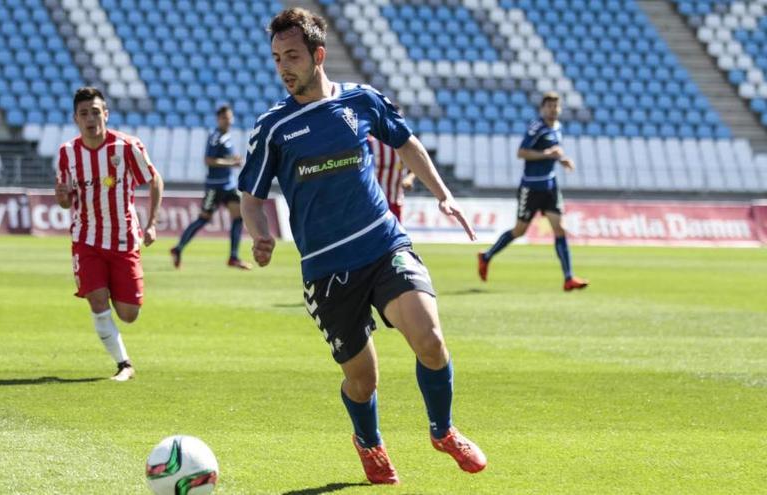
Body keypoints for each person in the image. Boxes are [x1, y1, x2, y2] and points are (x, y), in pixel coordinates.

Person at [239, 8, 486, 485]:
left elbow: (406, 142)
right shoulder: (272, 128)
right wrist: (260, 234)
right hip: (327, 269)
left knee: (431, 342)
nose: (283, 67)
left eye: (292, 55)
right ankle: (369, 442)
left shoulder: (361, 101)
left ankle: (443, 430)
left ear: (318, 55)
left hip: (382, 244)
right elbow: (250, 198)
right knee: (362, 379)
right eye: (276, 58)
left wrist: (443, 194)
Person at [54, 87, 164, 381]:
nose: (90, 118)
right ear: (75, 118)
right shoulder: (68, 153)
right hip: (86, 239)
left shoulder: (126, 147)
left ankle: (119, 289)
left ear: (106, 114)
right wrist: (62, 196)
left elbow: (154, 181)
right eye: (84, 113)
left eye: (95, 112)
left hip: (123, 239)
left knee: (128, 314)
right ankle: (124, 364)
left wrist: (152, 223)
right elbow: (66, 201)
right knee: (97, 302)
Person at [477, 92, 588, 291]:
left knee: (560, 229)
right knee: (519, 231)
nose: (553, 110)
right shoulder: (536, 128)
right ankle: (486, 256)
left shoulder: (558, 128)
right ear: (542, 109)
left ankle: (568, 278)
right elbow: (521, 153)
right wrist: (547, 154)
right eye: (549, 106)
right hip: (531, 187)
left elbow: (554, 152)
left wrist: (562, 160)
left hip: (550, 186)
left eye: (556, 106)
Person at [170, 105, 252, 270]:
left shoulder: (227, 136)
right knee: (203, 219)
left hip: (228, 186)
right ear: (218, 119)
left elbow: (223, 158)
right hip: (215, 187)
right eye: (224, 118)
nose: (228, 120)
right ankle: (178, 248)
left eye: (229, 117)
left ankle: (233, 257)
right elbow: (208, 160)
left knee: (239, 216)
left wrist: (231, 159)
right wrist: (231, 162)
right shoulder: (215, 137)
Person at [368, 134, 415, 222]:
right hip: (373, 203)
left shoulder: (404, 143)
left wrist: (409, 178)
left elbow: (414, 167)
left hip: (396, 201)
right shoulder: (370, 143)